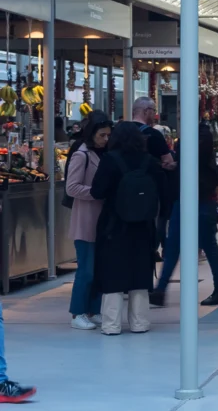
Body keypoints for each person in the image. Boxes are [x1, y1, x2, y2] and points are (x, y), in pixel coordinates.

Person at [90, 121, 164, 335]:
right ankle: (140, 323)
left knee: (113, 272)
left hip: (113, 226)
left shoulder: (110, 160)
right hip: (143, 226)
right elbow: (163, 191)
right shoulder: (150, 162)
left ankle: (111, 324)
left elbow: (97, 191)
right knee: (140, 272)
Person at [151, 124, 218, 307]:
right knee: (174, 244)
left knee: (206, 244)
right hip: (188, 197)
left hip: (201, 197)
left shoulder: (202, 133)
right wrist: (176, 164)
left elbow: (198, 157)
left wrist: (178, 161)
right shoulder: (195, 133)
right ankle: (160, 290)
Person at [65, 111, 112, 331]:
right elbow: (71, 187)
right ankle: (77, 312)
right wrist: (96, 192)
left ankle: (94, 310)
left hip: (101, 220)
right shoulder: (81, 155)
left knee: (100, 269)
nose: (105, 139)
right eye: (102, 135)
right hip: (85, 220)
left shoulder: (104, 154)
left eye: (108, 135)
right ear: (92, 133)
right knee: (86, 270)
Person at [132, 97, 175, 258]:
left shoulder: (119, 131)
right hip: (152, 187)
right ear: (146, 111)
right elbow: (168, 162)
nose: (155, 115)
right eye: (153, 111)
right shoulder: (153, 134)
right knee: (158, 219)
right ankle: (152, 249)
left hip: (125, 189)